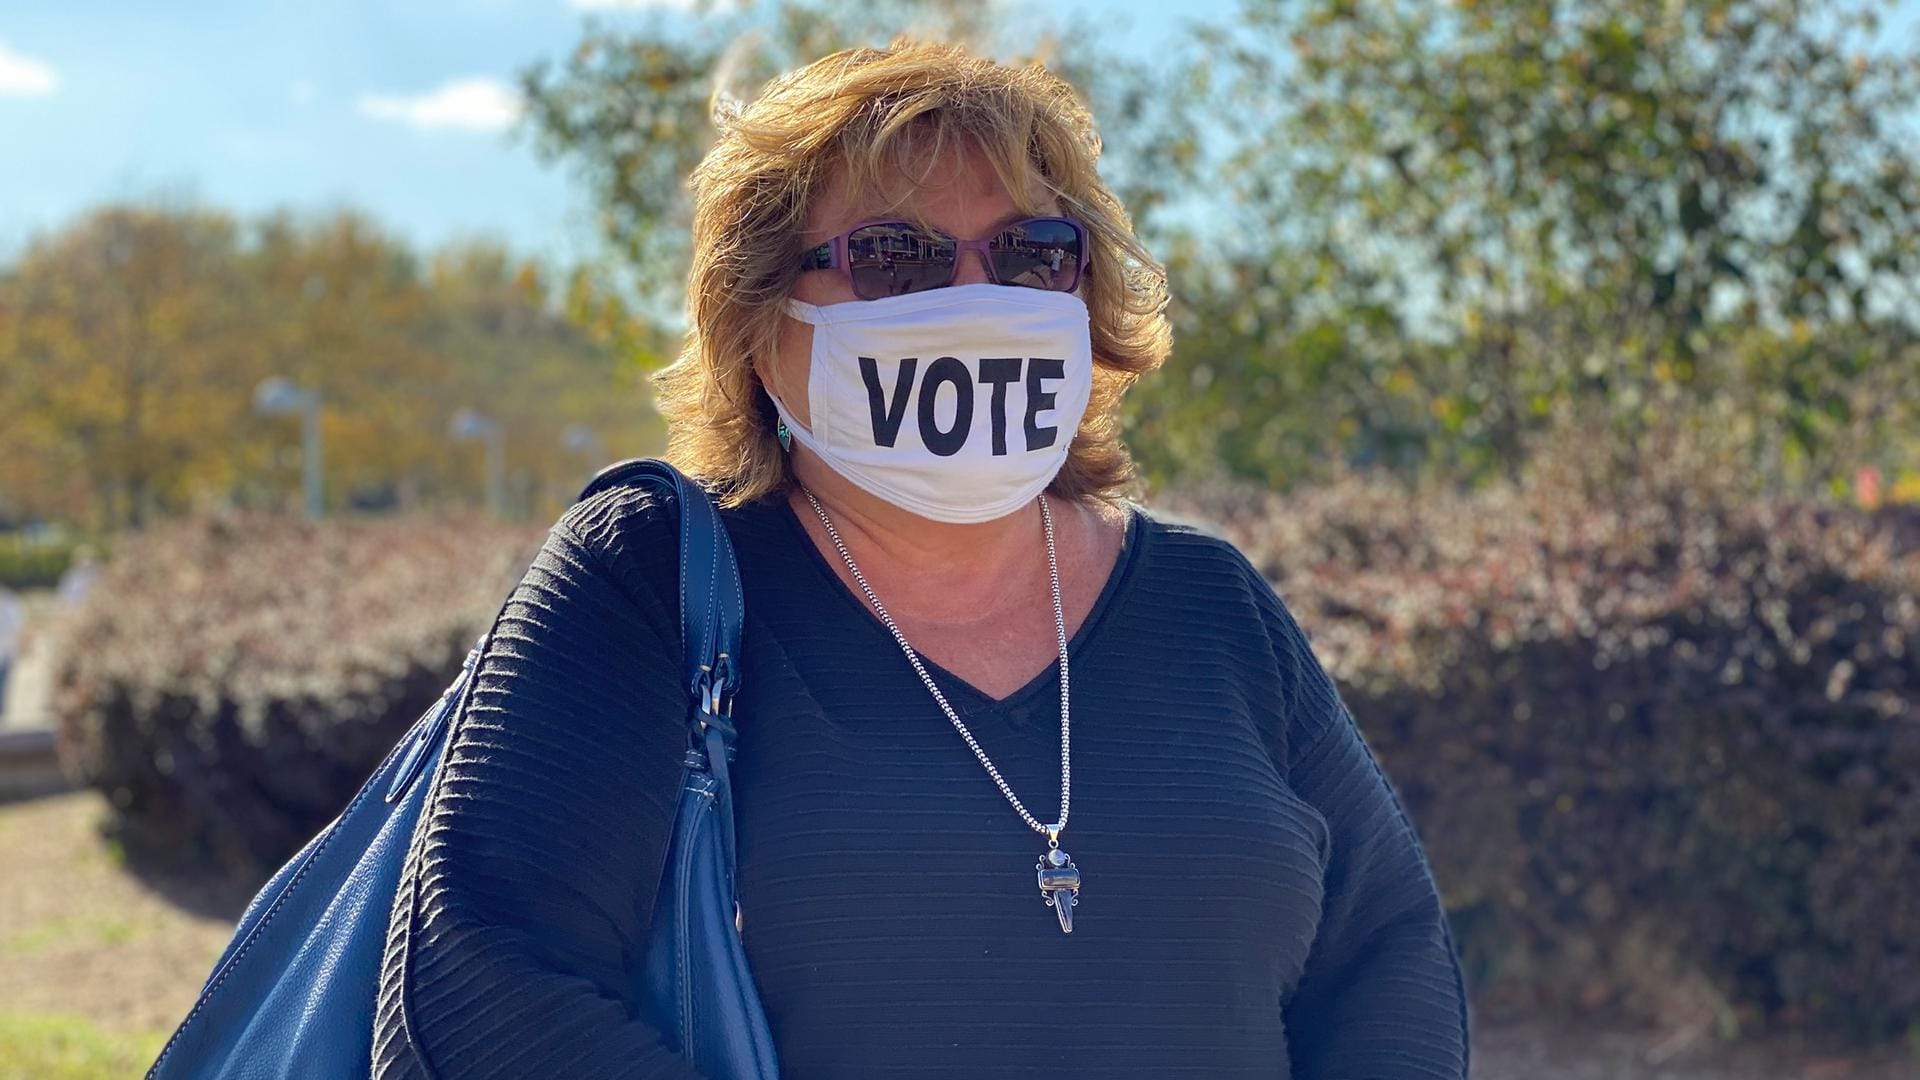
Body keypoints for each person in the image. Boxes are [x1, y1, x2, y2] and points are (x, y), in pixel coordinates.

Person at [373, 40, 1470, 1080]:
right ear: (759, 325)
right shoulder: (646, 580)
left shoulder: (1213, 604)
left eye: (1032, 254)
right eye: (895, 256)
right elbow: (481, 979)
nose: (975, 299)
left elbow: (1389, 957)